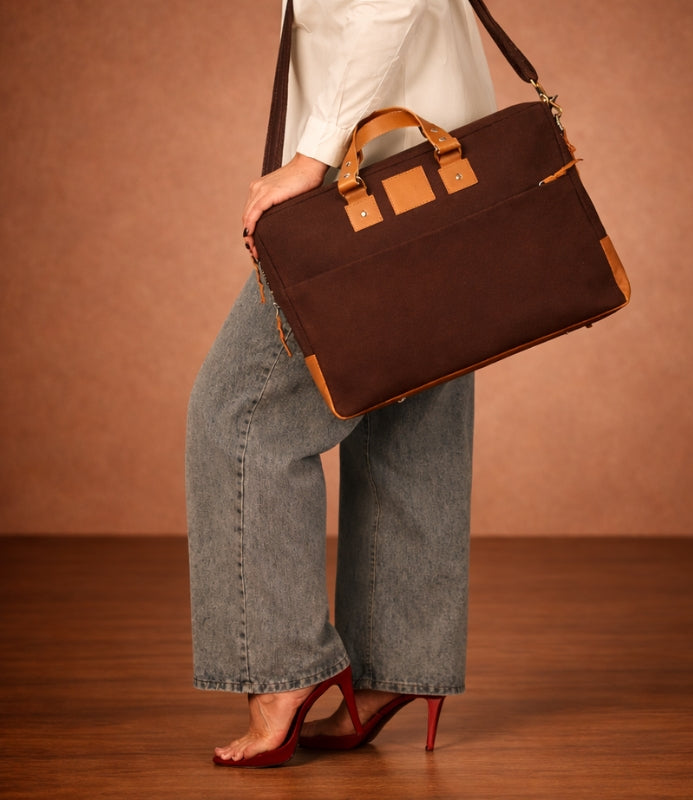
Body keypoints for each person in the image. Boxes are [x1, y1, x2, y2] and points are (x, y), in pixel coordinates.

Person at [186, 0, 496, 768]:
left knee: (240, 415)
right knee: (406, 418)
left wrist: (313, 155)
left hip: (379, 172)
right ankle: (398, 661)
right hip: (455, 169)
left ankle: (286, 673)